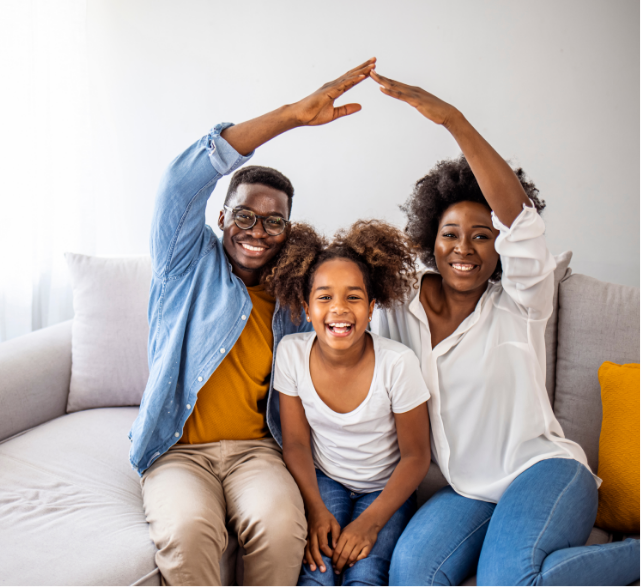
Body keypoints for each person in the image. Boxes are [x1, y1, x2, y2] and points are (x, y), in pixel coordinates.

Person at [369, 71, 641, 586]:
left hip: (545, 473)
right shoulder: (399, 305)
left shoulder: (521, 302)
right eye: (451, 234)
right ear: (431, 239)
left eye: (481, 236)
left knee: (508, 582)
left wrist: (454, 121)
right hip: (467, 491)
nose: (464, 248)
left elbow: (520, 222)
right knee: (411, 574)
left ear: (499, 248)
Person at [129, 58, 378, 587]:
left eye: (273, 221)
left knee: (282, 526)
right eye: (244, 215)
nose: (257, 231)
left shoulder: (297, 298)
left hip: (256, 453)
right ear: (222, 217)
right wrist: (291, 116)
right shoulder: (184, 264)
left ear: (288, 230)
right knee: (190, 531)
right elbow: (179, 184)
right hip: (177, 451)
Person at [267, 220, 431, 587]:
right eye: (324, 297)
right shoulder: (291, 354)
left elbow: (417, 456)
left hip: (386, 489)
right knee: (318, 573)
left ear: (372, 308)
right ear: (306, 308)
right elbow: (296, 443)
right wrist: (314, 509)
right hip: (326, 481)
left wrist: (369, 523)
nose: (339, 309)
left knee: (365, 575)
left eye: (353, 298)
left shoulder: (397, 363)